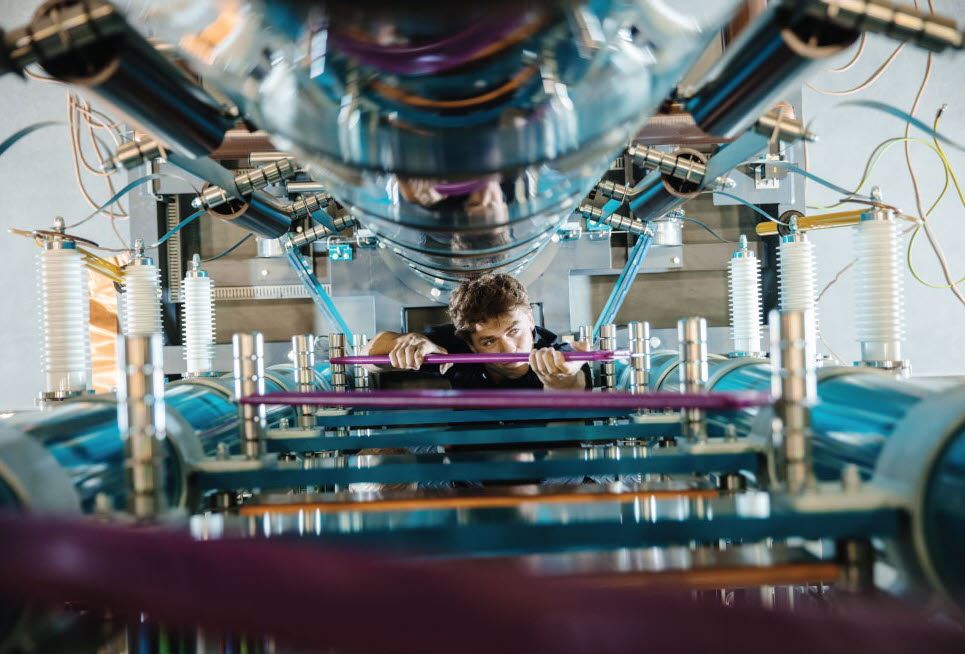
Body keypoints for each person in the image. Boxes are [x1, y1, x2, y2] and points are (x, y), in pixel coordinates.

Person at [365, 273, 591, 390]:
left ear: (530, 320)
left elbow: (574, 382)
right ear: (471, 345)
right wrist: (408, 342)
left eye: (514, 331)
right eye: (489, 341)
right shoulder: (452, 345)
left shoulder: (556, 353)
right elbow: (368, 357)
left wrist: (562, 380)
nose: (508, 349)